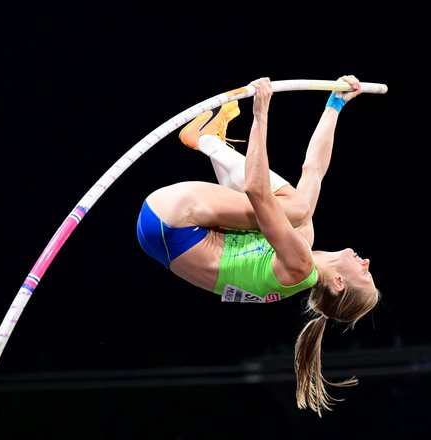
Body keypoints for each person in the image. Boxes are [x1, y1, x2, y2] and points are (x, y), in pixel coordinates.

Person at [136, 75, 380, 416]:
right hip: (162, 232)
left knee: (296, 209)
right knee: (298, 211)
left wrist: (261, 112)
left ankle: (208, 140)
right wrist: (335, 105)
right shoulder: (298, 253)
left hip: (175, 219)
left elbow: (255, 189)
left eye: (365, 275)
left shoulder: (299, 267)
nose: (367, 262)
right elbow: (313, 171)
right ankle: (210, 141)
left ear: (338, 284)